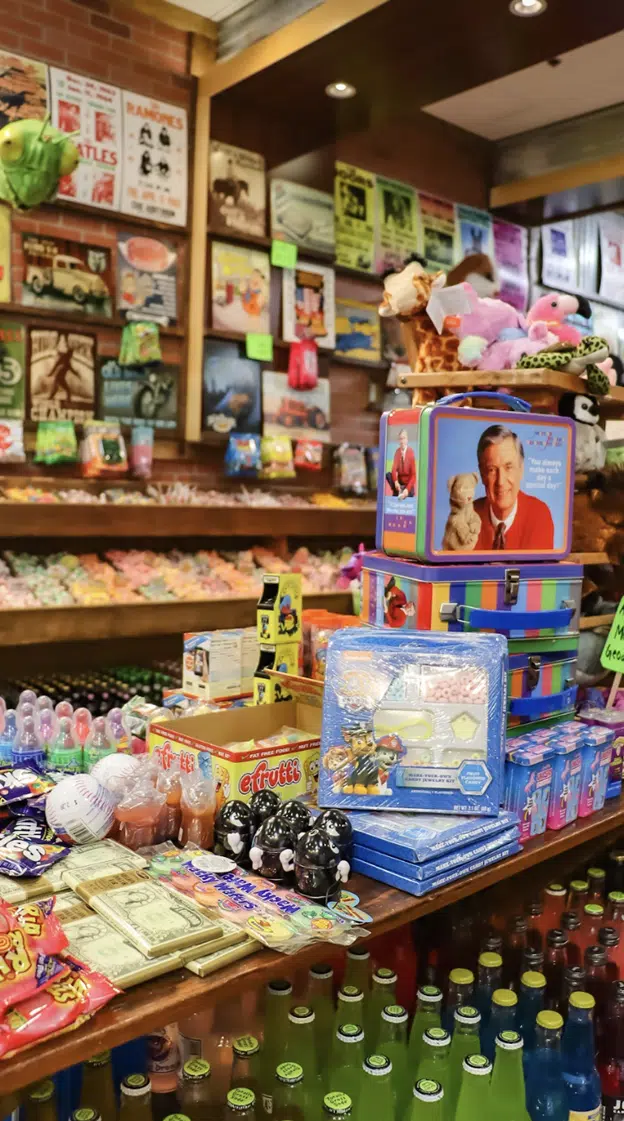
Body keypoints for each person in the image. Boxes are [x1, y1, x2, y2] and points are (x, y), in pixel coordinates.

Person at [473, 425, 554, 550]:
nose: (500, 481)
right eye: (492, 470)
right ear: (482, 474)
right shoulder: (468, 516)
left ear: (521, 470)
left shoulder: (539, 515)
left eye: (508, 467)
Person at [385, 428, 416, 499]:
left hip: (407, 484)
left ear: (407, 440)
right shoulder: (397, 452)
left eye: (404, 438)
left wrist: (407, 489)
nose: (402, 441)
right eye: (400, 439)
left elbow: (413, 476)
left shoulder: (411, 452)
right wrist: (396, 482)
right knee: (388, 475)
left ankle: (402, 492)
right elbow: (394, 470)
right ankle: (399, 491)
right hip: (400, 483)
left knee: (408, 491)